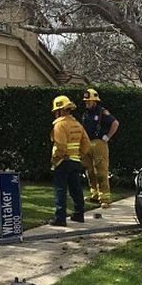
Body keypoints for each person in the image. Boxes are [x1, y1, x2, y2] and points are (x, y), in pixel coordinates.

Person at [49, 95, 91, 227]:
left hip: (63, 161)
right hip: (75, 161)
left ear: (61, 110)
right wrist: (79, 154)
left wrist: (56, 159)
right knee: (76, 188)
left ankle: (60, 218)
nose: (55, 114)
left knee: (60, 189)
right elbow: (87, 144)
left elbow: (60, 146)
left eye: (56, 111)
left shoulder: (59, 125)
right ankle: (79, 214)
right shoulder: (77, 124)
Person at [80, 88, 119, 208]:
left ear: (95, 101)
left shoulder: (102, 112)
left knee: (101, 172)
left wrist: (108, 136)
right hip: (87, 143)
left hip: (99, 143)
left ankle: (105, 198)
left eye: (89, 101)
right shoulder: (86, 113)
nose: (87, 103)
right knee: (90, 171)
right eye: (86, 101)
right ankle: (95, 195)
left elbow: (115, 123)